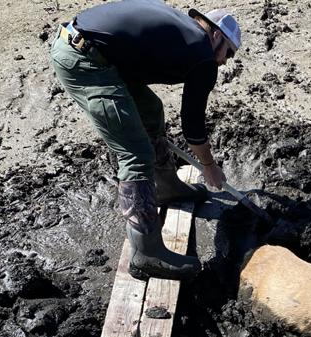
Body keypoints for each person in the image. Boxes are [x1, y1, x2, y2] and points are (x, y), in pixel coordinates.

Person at [49, 0, 241, 281]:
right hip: (86, 62)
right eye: (229, 53)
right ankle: (146, 252)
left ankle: (166, 187)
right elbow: (193, 126)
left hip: (91, 51)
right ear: (216, 36)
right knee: (135, 154)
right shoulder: (202, 53)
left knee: (151, 111)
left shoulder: (185, 31)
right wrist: (208, 165)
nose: (224, 62)